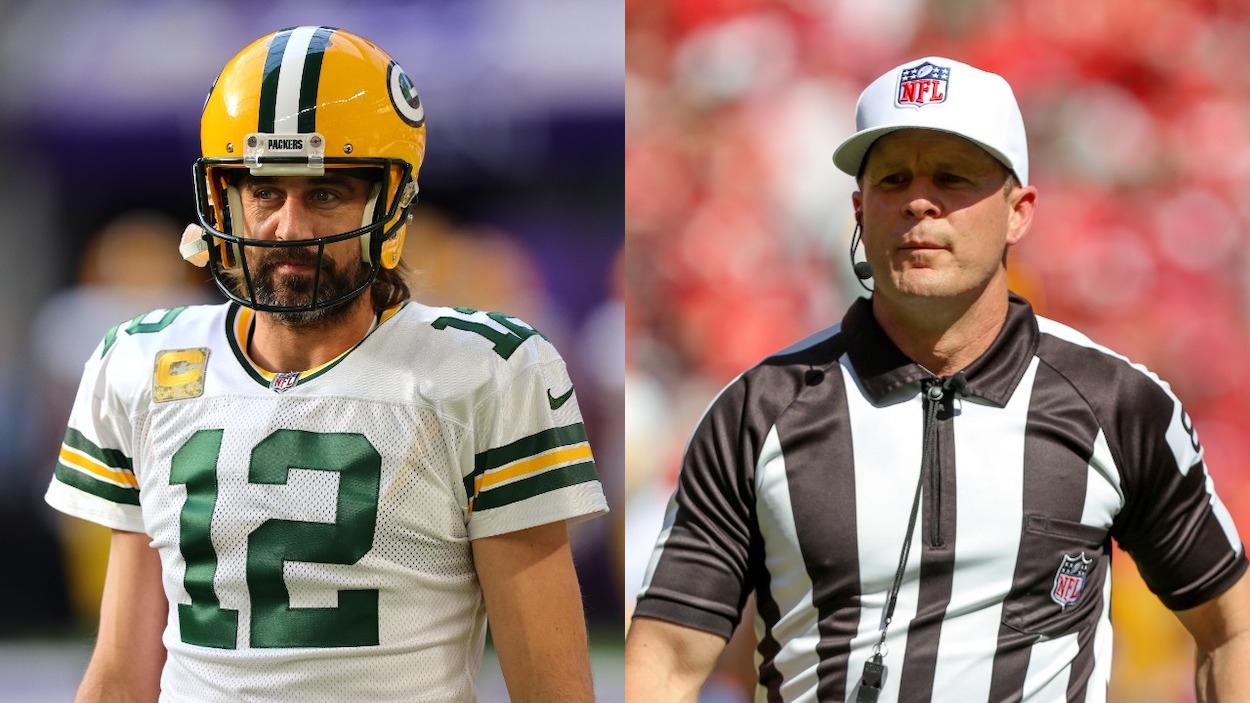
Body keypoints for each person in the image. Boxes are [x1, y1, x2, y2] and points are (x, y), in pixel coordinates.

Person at [625, 56, 1250, 702]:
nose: (920, 202)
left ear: (1019, 212)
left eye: (952, 178)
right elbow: (668, 655)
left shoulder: (1118, 406)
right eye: (895, 180)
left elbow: (1231, 626)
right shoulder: (757, 412)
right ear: (860, 211)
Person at [45, 26, 607, 703]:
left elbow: (551, 688)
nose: (289, 226)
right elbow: (121, 673)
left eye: (325, 194)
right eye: (265, 193)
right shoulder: (140, 360)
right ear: (226, 198)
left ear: (389, 207)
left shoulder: (487, 371)